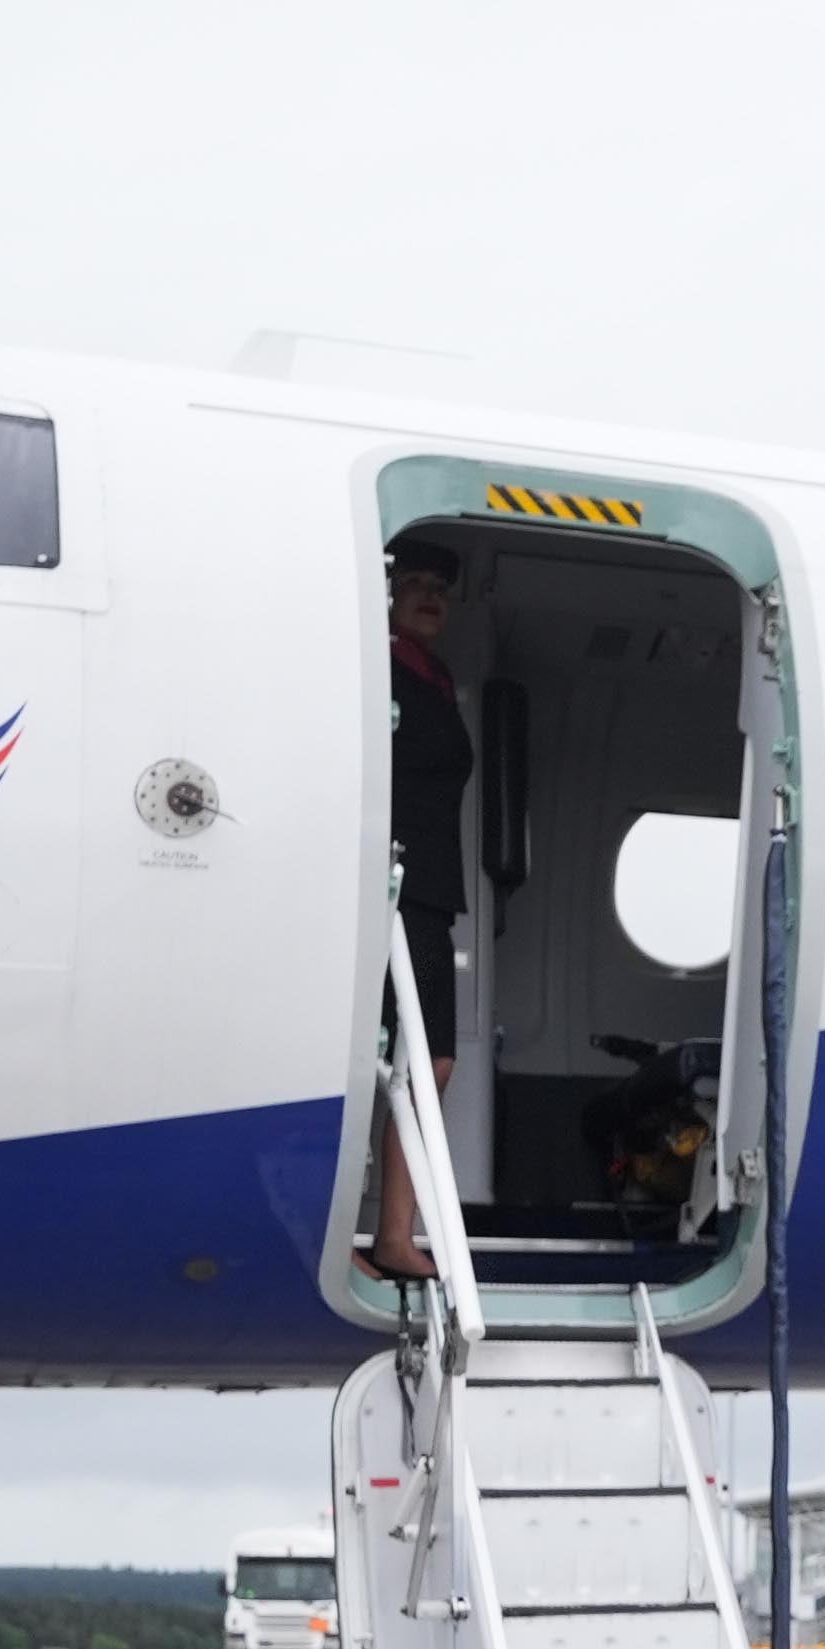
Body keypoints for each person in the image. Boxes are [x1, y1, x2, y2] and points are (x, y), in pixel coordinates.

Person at [373, 538, 477, 1277]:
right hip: (396, 886)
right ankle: (389, 1236)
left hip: (433, 892)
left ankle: (394, 1234)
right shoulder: (378, 667)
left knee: (434, 1063)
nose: (429, 594)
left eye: (439, 584)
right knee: (405, 1061)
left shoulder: (432, 677)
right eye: (413, 581)